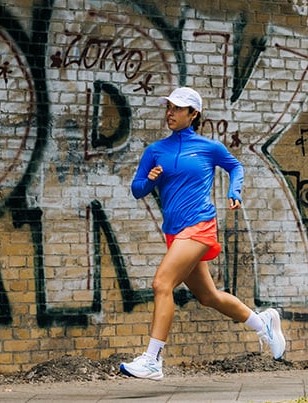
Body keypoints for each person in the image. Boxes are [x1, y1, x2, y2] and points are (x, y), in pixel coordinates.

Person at [120, 87, 285, 381]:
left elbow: (235, 166)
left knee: (162, 283)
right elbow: (137, 189)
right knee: (208, 296)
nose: (170, 113)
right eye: (168, 107)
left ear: (193, 114)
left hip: (200, 225)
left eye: (177, 108)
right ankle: (263, 323)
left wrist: (234, 191)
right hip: (175, 231)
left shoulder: (209, 148)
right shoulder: (155, 150)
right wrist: (151, 180)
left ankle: (152, 359)